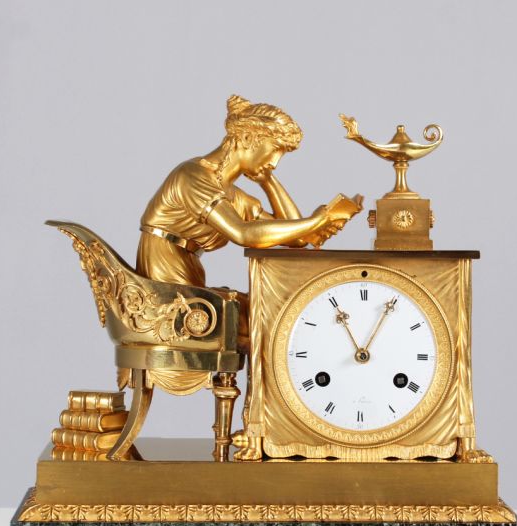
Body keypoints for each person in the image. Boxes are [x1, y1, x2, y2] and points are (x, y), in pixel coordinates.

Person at [136, 95, 357, 350]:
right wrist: (315, 221)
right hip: (163, 289)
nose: (275, 162)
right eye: (275, 150)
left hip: (187, 279)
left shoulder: (234, 196)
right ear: (248, 138)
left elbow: (296, 240)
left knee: (267, 317)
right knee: (257, 321)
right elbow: (243, 234)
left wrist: (269, 181)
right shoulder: (192, 176)